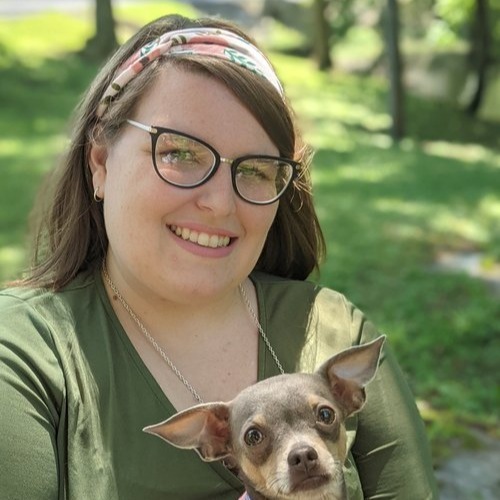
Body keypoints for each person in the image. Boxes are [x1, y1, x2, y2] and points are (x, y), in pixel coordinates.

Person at [0, 13, 438, 500]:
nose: (220, 203)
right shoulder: (24, 355)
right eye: (181, 153)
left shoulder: (332, 329)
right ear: (101, 163)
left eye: (256, 169)